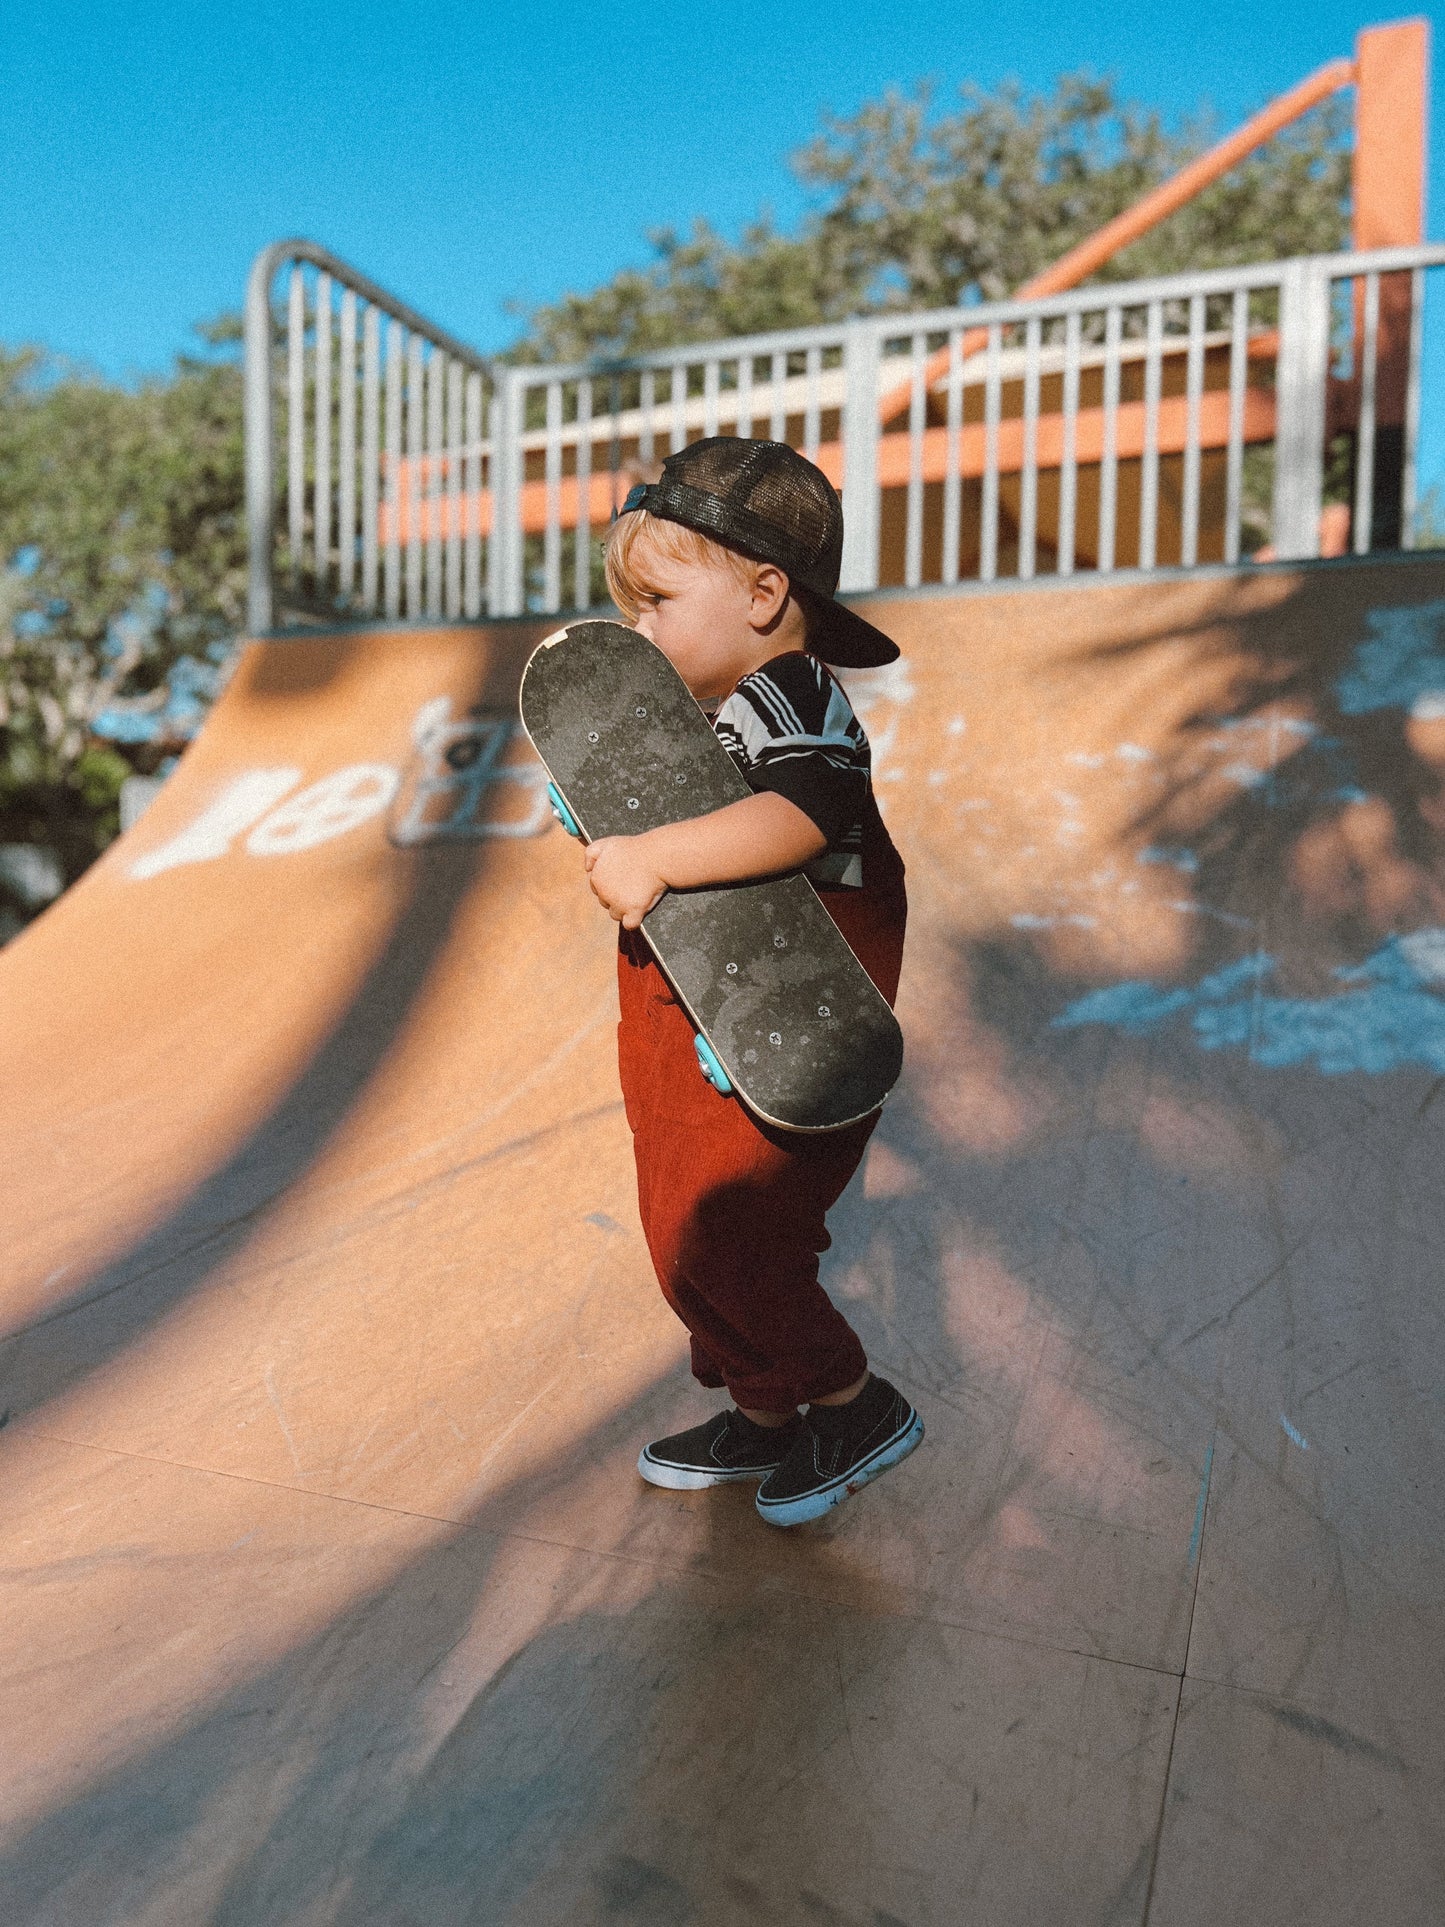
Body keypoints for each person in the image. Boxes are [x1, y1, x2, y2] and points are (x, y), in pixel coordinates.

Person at [584, 437, 922, 1527]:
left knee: (734, 1230)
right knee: (679, 1225)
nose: (639, 631)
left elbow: (802, 815)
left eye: (658, 602)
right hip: (705, 1008)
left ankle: (849, 1399)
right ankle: (763, 1410)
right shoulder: (715, 713)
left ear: (765, 593)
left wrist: (661, 854)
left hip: (788, 1017)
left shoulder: (792, 692)